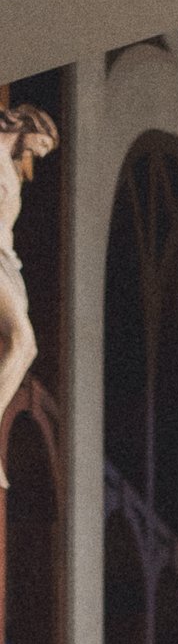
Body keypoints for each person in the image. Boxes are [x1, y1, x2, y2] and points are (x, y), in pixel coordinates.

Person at [0, 102, 57, 419]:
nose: (43, 152)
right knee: (24, 342)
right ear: (32, 127)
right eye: (44, 143)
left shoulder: (10, 165)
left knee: (25, 346)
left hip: (6, 261)